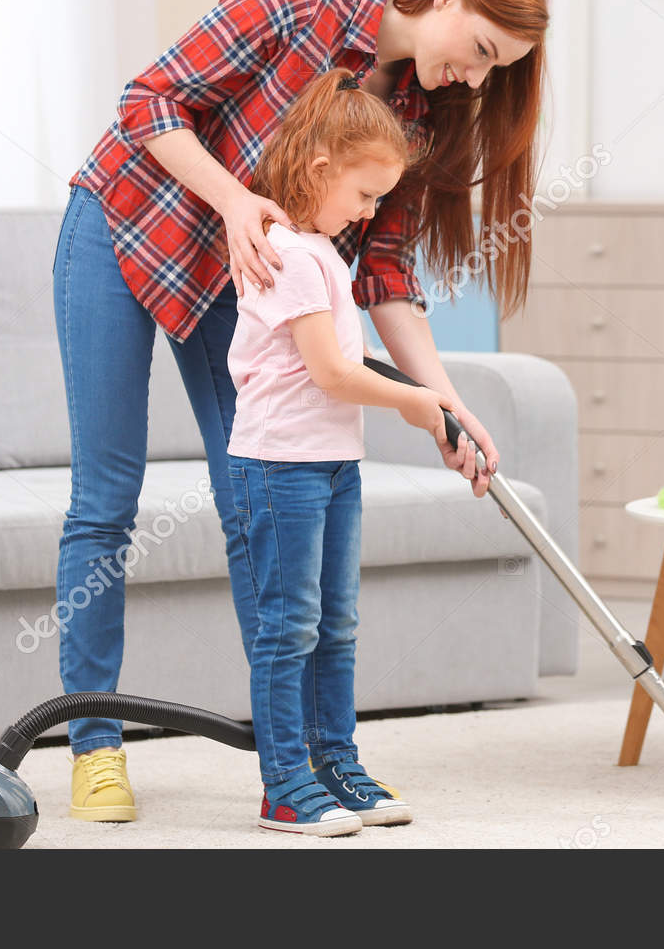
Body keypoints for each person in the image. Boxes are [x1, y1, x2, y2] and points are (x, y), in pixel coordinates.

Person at [54, 0, 548, 822]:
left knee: (256, 496)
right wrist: (233, 199)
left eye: (494, 71)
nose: (475, 80)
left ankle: (302, 761)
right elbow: (148, 101)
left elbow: (384, 273)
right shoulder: (299, 0)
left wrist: (446, 403)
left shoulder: (419, 117)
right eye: (481, 51)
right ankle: (94, 746)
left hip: (243, 281)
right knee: (106, 500)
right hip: (130, 225)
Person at [225, 67, 445, 835]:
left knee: (336, 623)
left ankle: (335, 763)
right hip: (280, 466)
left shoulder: (321, 252)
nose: (371, 211)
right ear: (320, 170)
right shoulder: (287, 253)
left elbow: (343, 362)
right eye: (365, 194)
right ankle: (285, 782)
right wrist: (413, 401)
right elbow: (330, 372)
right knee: (289, 625)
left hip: (332, 462)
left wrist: (430, 394)